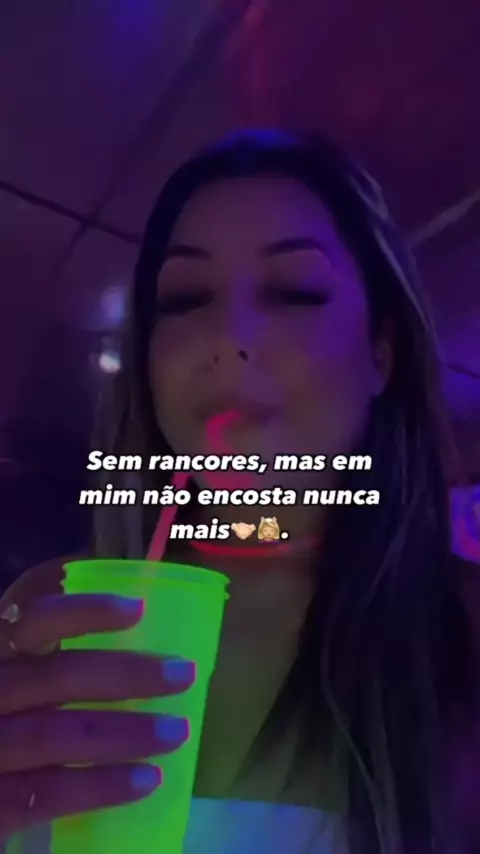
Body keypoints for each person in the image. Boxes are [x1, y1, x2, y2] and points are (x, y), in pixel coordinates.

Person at [0, 130, 478, 854]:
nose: (228, 336)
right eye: (185, 298)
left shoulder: (462, 633)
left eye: (294, 291)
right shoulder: (46, 607)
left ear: (380, 354)